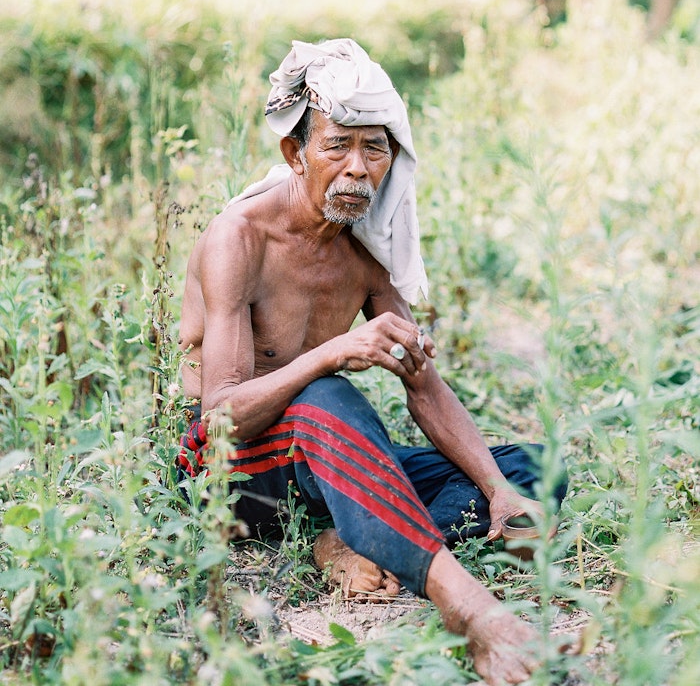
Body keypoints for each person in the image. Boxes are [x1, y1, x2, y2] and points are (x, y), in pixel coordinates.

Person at [177, 38, 568, 686]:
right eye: (338, 146)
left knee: (531, 470)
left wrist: (499, 493)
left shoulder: (365, 258)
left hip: (322, 465)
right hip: (226, 473)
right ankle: (472, 612)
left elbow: (427, 390)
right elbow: (221, 418)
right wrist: (333, 353)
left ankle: (348, 538)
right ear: (295, 153)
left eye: (375, 148)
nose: (358, 168)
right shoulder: (239, 238)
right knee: (328, 398)